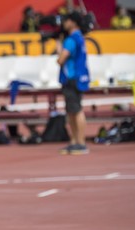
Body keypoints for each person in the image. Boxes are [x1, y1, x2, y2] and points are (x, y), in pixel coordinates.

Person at [57, 12, 90, 155]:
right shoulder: (80, 38)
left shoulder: (71, 40)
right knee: (72, 111)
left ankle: (81, 142)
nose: (64, 23)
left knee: (76, 110)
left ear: (74, 22)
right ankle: (75, 141)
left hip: (72, 77)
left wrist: (58, 44)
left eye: (67, 20)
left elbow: (61, 59)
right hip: (78, 76)